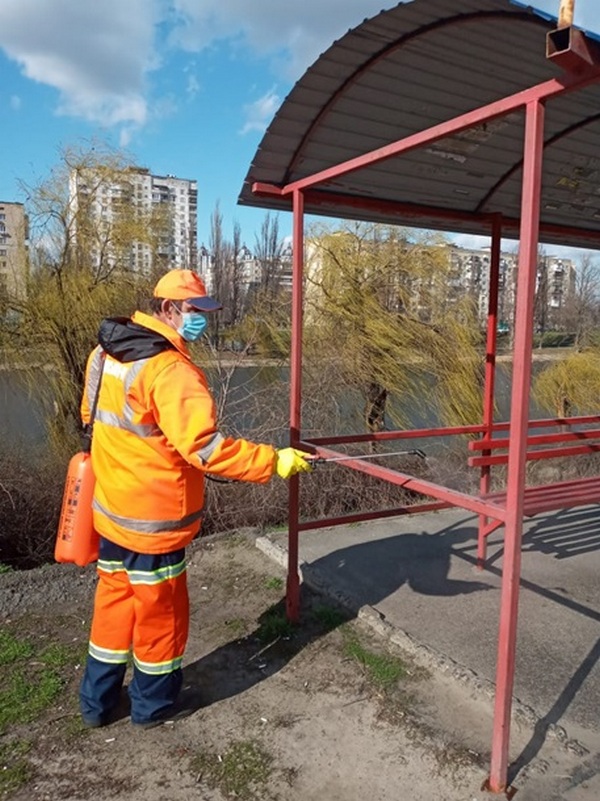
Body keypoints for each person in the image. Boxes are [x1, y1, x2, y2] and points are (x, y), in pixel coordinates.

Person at [79, 268, 312, 729]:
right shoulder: (170, 370)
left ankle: (96, 704)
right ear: (168, 309)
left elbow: (90, 420)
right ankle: (152, 706)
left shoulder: (102, 355)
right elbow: (205, 449)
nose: (201, 321)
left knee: (112, 606)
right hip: (154, 522)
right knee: (160, 616)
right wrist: (272, 462)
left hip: (110, 512)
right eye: (195, 312)